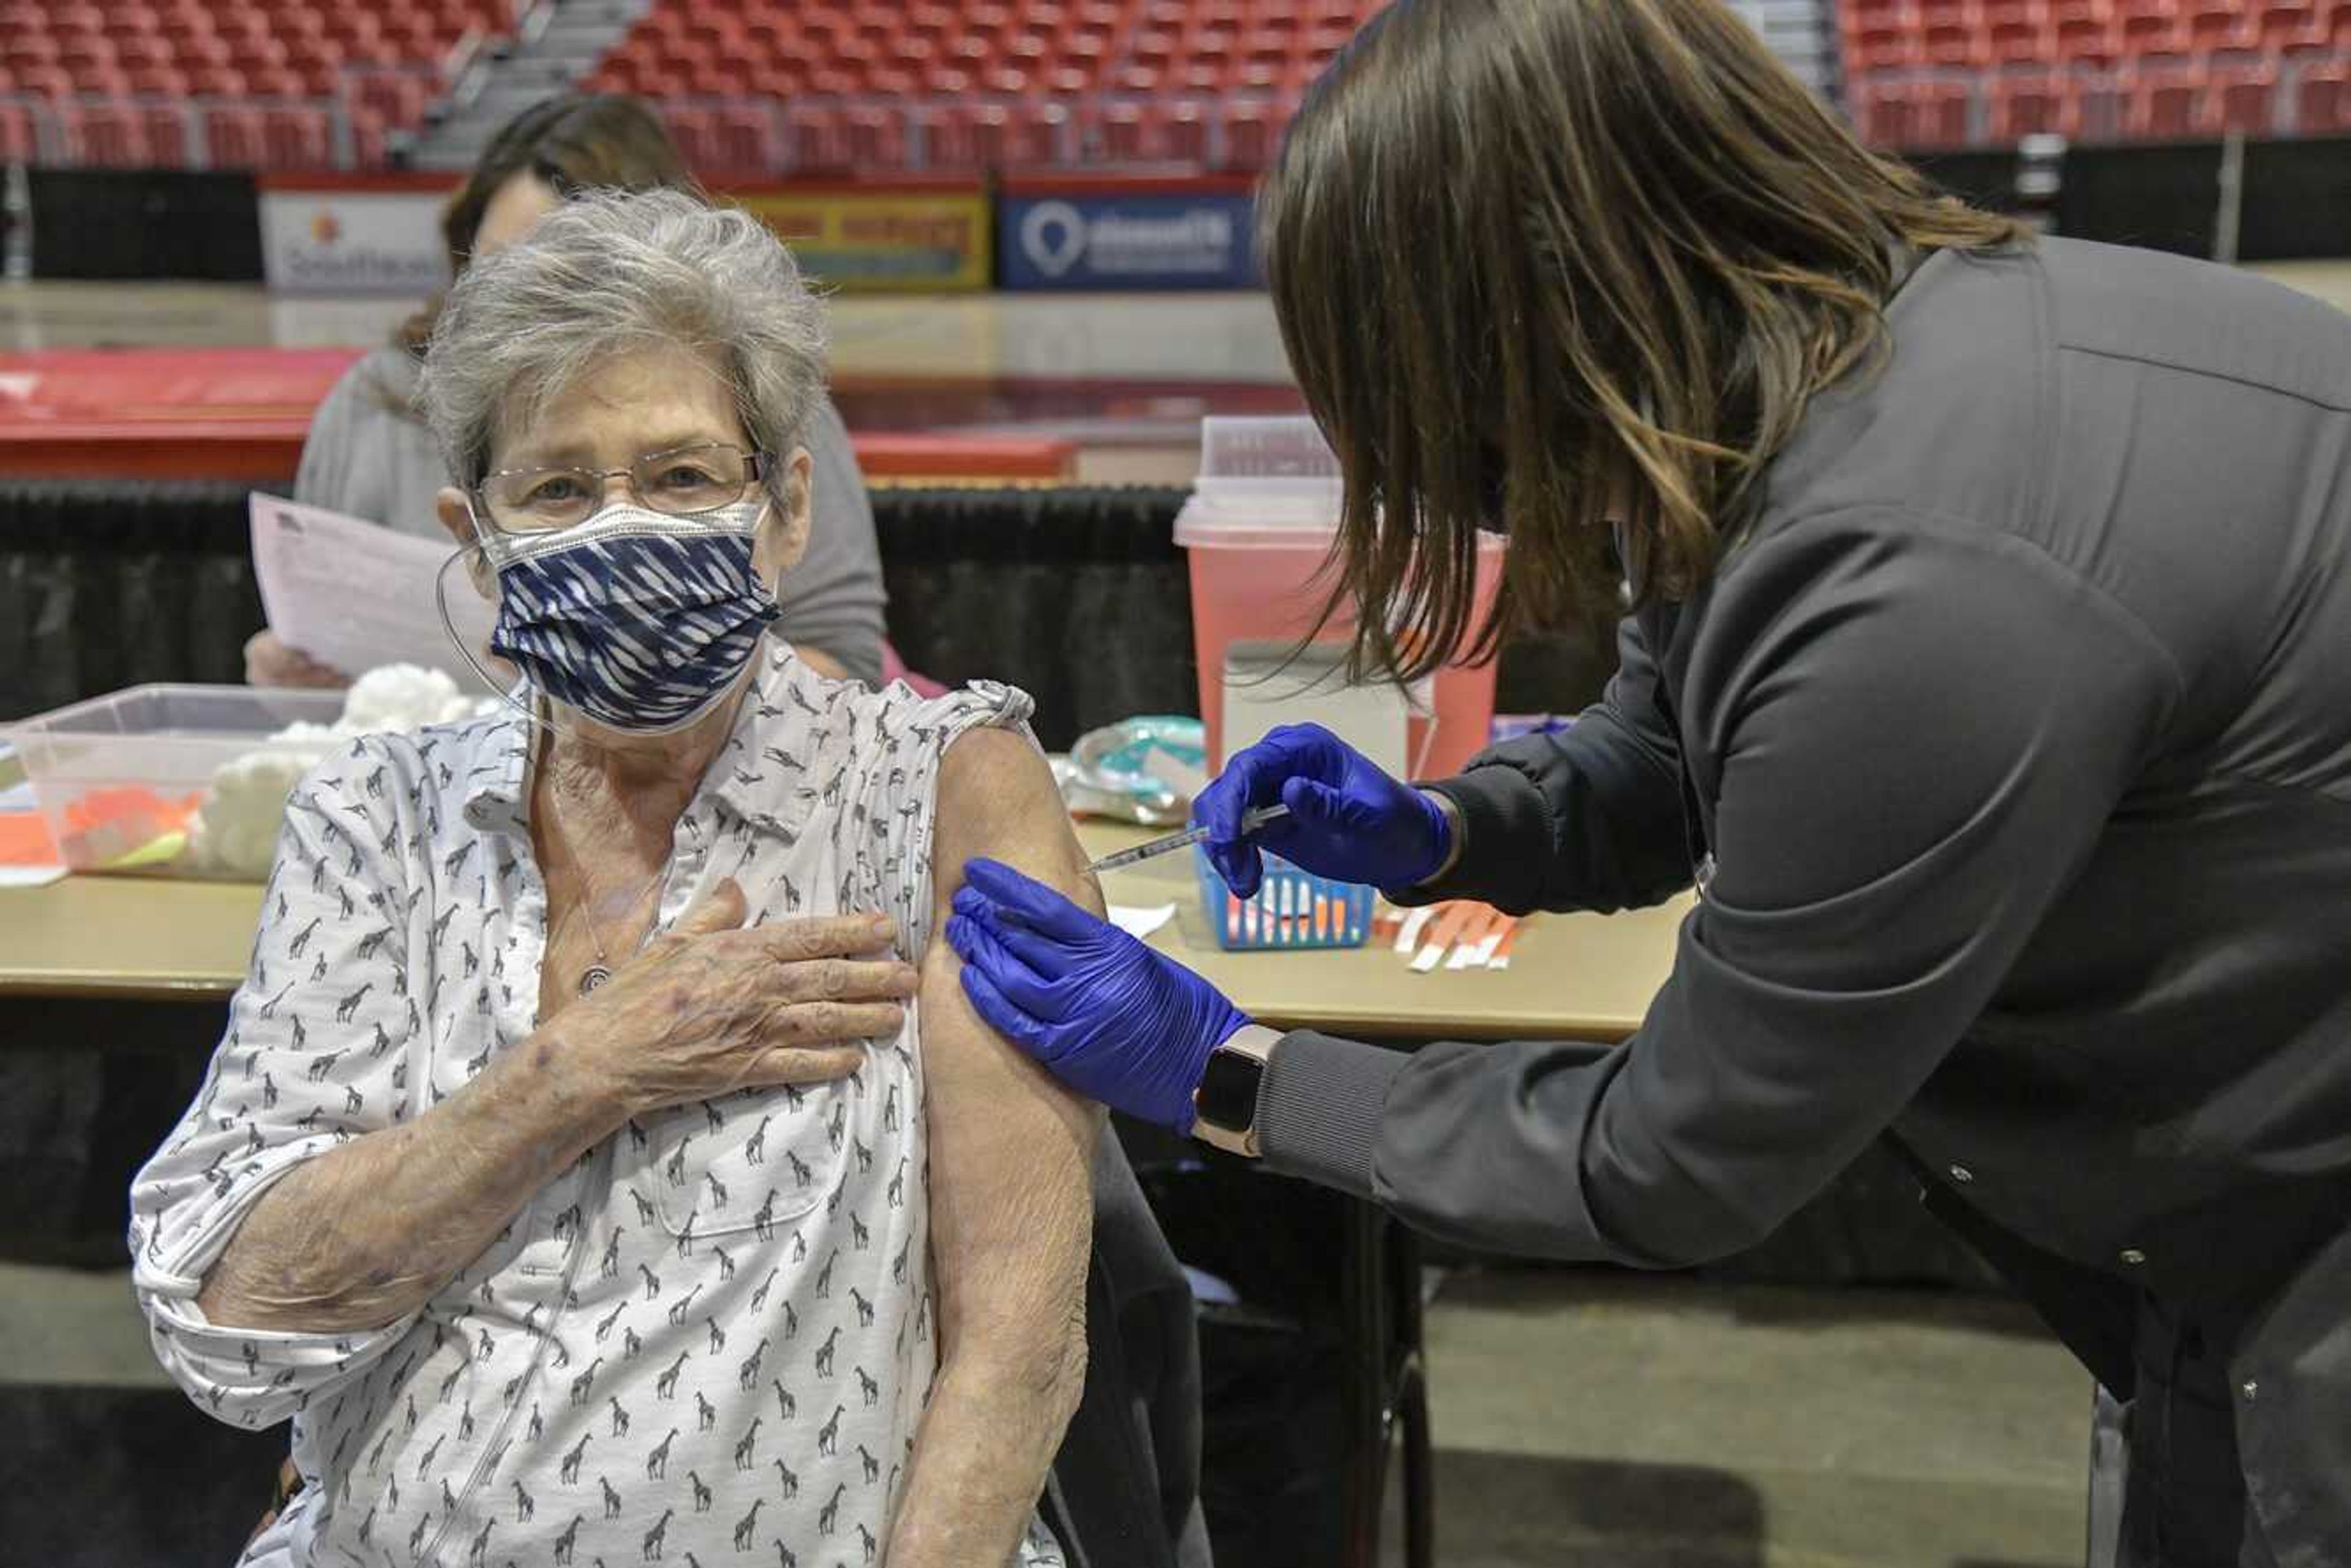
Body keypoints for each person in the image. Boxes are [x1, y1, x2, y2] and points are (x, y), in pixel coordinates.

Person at [943, 2, 2351, 1564]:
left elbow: (1677, 1154)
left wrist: (1233, 1071)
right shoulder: (1844, 360)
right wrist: (1445, 831)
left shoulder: (1911, 575)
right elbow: (1679, 744)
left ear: (1519, 314)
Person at [133, 190, 1099, 1567]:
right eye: (560, 489)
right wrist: (584, 1068)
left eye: (686, 476)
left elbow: (1021, 1352)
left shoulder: (941, 787)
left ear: (787, 507)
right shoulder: (375, 817)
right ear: (477, 537)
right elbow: (228, 1317)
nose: (626, 529)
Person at [249, 93, 888, 691]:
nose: (526, 315)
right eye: (497, 270)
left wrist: (654, 691)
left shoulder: (756, 391)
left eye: (683, 476)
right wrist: (298, 677)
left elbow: (843, 659)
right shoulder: (371, 401)